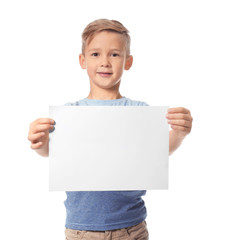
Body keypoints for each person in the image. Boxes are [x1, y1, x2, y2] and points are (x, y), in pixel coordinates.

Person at [28, 19, 193, 240]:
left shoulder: (140, 112)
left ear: (128, 61)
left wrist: (179, 134)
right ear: (82, 60)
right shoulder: (69, 113)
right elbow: (52, 153)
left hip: (131, 227)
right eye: (96, 54)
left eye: (114, 54)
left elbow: (159, 152)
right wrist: (39, 142)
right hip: (81, 229)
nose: (105, 62)